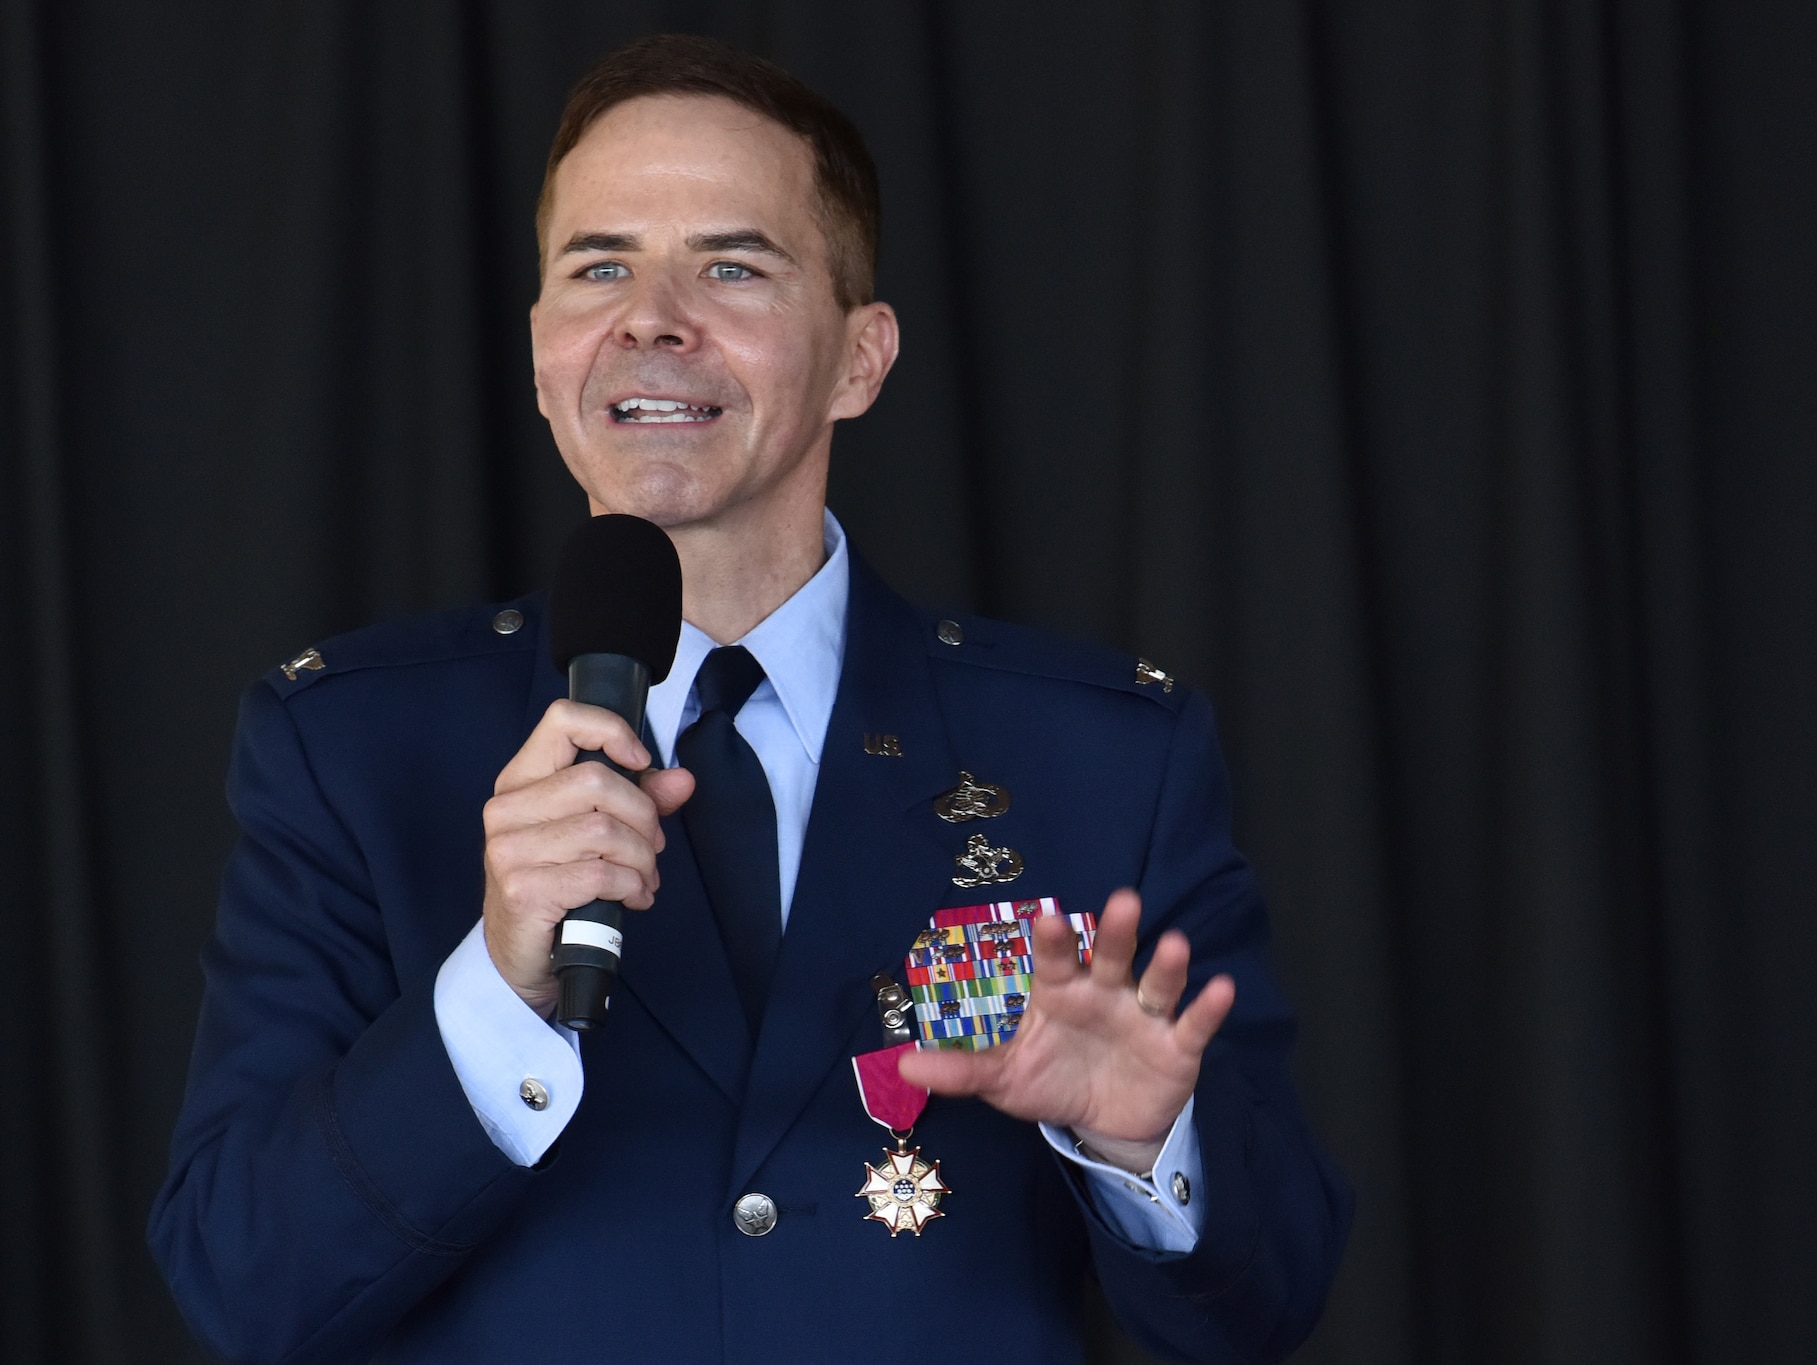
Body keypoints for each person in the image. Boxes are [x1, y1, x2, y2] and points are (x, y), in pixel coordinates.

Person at [150, 33, 1352, 1365]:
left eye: (732, 265)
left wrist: (1140, 1141)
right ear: (545, 352)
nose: (652, 315)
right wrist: (493, 993)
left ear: (860, 356)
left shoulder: (1102, 756)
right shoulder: (350, 750)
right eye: (598, 264)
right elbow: (240, 1283)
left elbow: (1274, 1294)